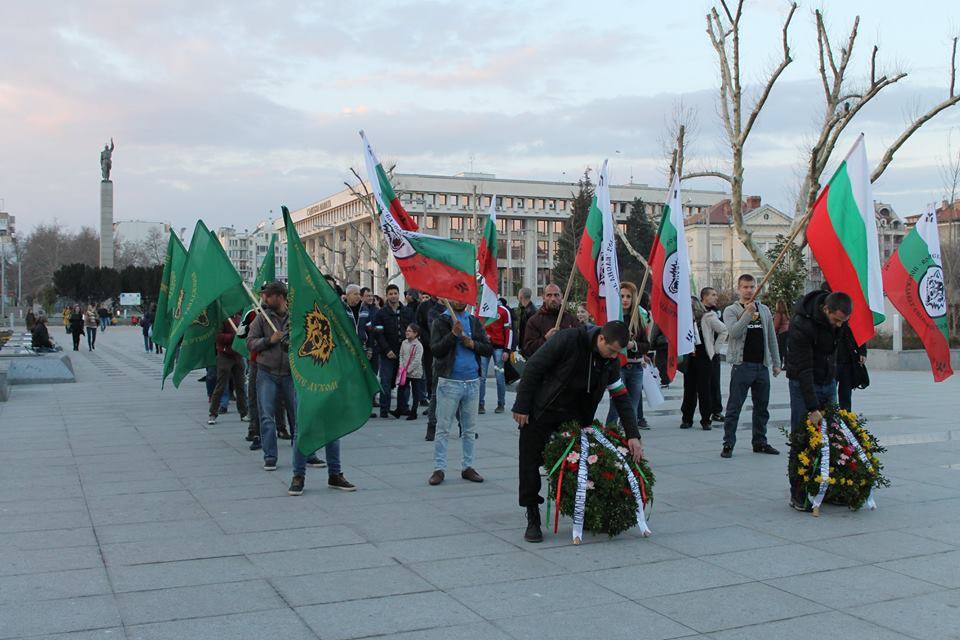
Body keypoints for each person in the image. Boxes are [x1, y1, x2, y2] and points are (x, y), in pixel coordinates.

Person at [512, 321, 645, 543]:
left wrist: (633, 434)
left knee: (579, 466)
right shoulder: (568, 339)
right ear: (601, 338)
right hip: (542, 411)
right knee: (529, 464)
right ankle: (532, 516)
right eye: (611, 350)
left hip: (575, 419)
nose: (613, 357)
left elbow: (621, 396)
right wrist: (522, 406)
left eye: (617, 353)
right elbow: (534, 367)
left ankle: (583, 512)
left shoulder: (610, 362)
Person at [246, 282, 352, 495]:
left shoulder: (313, 316)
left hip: (318, 375)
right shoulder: (263, 318)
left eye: (268, 295)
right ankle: (294, 472)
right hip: (277, 373)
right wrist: (271, 340)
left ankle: (335, 473)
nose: (264, 299)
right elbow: (250, 342)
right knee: (292, 421)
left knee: (329, 426)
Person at [785, 290, 851, 512]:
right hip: (802, 382)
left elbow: (832, 353)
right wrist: (813, 407)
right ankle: (798, 492)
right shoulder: (801, 324)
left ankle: (831, 487)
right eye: (836, 320)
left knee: (834, 435)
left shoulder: (838, 324)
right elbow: (803, 368)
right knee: (802, 437)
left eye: (843, 322)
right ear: (826, 310)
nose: (839, 326)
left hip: (827, 380)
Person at [427, 299, 493, 486]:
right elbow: (436, 350)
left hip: (472, 381)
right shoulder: (441, 321)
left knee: (469, 429)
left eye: (462, 296)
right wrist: (453, 335)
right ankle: (439, 468)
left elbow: (487, 348)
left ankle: (468, 466)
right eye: (455, 296)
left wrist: (472, 344)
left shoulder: (473, 321)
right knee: (443, 428)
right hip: (449, 382)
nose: (459, 300)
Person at [720, 274, 781, 459]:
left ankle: (760, 441)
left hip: (761, 366)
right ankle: (728, 443)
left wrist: (776, 363)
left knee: (762, 407)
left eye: (752, 287)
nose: (749, 290)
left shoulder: (764, 310)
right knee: (734, 407)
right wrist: (747, 314)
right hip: (741, 365)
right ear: (739, 288)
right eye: (745, 287)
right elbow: (734, 332)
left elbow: (771, 337)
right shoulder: (731, 310)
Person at [606, 282, 652, 431]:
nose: (625, 300)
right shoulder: (613, 318)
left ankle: (629, 434)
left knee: (632, 405)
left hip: (636, 366)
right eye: (622, 296)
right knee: (616, 404)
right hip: (619, 366)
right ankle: (610, 433)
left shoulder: (638, 318)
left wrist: (634, 345)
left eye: (628, 297)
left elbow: (646, 345)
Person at [680, 297, 725, 430]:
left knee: (704, 389)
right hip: (689, 357)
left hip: (704, 357)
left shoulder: (708, 317)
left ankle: (706, 419)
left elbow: (723, 330)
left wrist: (715, 349)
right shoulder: (684, 320)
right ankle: (687, 419)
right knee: (689, 389)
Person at [374, 284, 415, 419]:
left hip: (404, 352)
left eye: (395, 293)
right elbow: (378, 334)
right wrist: (387, 350)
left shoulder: (407, 311)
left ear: (399, 294)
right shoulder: (381, 313)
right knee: (386, 381)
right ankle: (384, 409)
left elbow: (414, 329)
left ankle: (403, 407)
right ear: (387, 295)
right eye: (390, 293)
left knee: (405, 380)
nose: (393, 296)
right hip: (387, 353)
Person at [207, 313, 248, 425]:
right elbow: (218, 337)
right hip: (225, 355)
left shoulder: (240, 318)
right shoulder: (223, 319)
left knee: (240, 386)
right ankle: (213, 413)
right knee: (221, 385)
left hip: (238, 355)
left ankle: (244, 413)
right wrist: (233, 336)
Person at [522, 283, 580, 357]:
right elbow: (528, 349)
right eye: (549, 295)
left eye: (556, 295)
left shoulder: (570, 319)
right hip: (546, 366)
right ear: (543, 297)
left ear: (561, 296)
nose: (553, 299)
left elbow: (580, 342)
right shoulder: (534, 321)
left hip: (567, 365)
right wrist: (545, 339)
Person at [479, 299, 512, 414]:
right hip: (484, 347)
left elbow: (509, 331)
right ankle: (480, 405)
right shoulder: (480, 309)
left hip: (499, 347)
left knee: (499, 377)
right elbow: (476, 329)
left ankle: (501, 404)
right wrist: (482, 337)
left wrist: (507, 350)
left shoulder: (503, 311)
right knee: (481, 377)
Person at [701, 287, 726, 422]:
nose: (716, 297)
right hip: (700, 352)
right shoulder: (699, 311)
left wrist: (716, 349)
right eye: (713, 295)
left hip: (713, 353)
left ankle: (716, 410)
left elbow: (722, 330)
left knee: (715, 382)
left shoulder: (716, 312)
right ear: (705, 297)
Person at [396, 323, 425, 420]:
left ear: (415, 333)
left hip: (415, 372)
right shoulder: (404, 343)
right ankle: (399, 409)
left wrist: (407, 370)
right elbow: (401, 355)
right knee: (401, 390)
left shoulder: (418, 345)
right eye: (406, 330)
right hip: (404, 371)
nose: (407, 332)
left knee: (415, 392)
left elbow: (417, 360)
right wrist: (401, 367)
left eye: (409, 331)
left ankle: (414, 412)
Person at [835, 323, 866, 412]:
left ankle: (846, 418)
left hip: (848, 360)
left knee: (846, 394)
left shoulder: (854, 316)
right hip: (832, 361)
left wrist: (862, 352)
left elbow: (860, 332)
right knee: (829, 394)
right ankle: (829, 420)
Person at [513, 287, 538, 352]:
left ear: (521, 296)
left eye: (518, 294)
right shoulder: (526, 309)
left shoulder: (531, 311)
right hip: (526, 345)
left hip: (528, 347)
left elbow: (530, 331)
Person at [774, 299, 791, 369]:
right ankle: (787, 364)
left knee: (780, 350)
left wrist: (774, 332)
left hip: (782, 332)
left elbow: (776, 325)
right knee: (786, 349)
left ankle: (779, 364)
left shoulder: (778, 314)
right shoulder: (786, 314)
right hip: (788, 331)